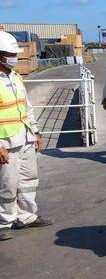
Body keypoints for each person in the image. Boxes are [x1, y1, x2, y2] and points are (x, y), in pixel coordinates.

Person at [0, 32, 52, 241]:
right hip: (6, 141)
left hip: (25, 137)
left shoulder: (14, 77)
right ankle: (4, 222)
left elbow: (26, 106)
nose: (14, 57)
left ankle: (27, 216)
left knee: (29, 179)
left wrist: (36, 130)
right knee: (7, 184)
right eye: (10, 54)